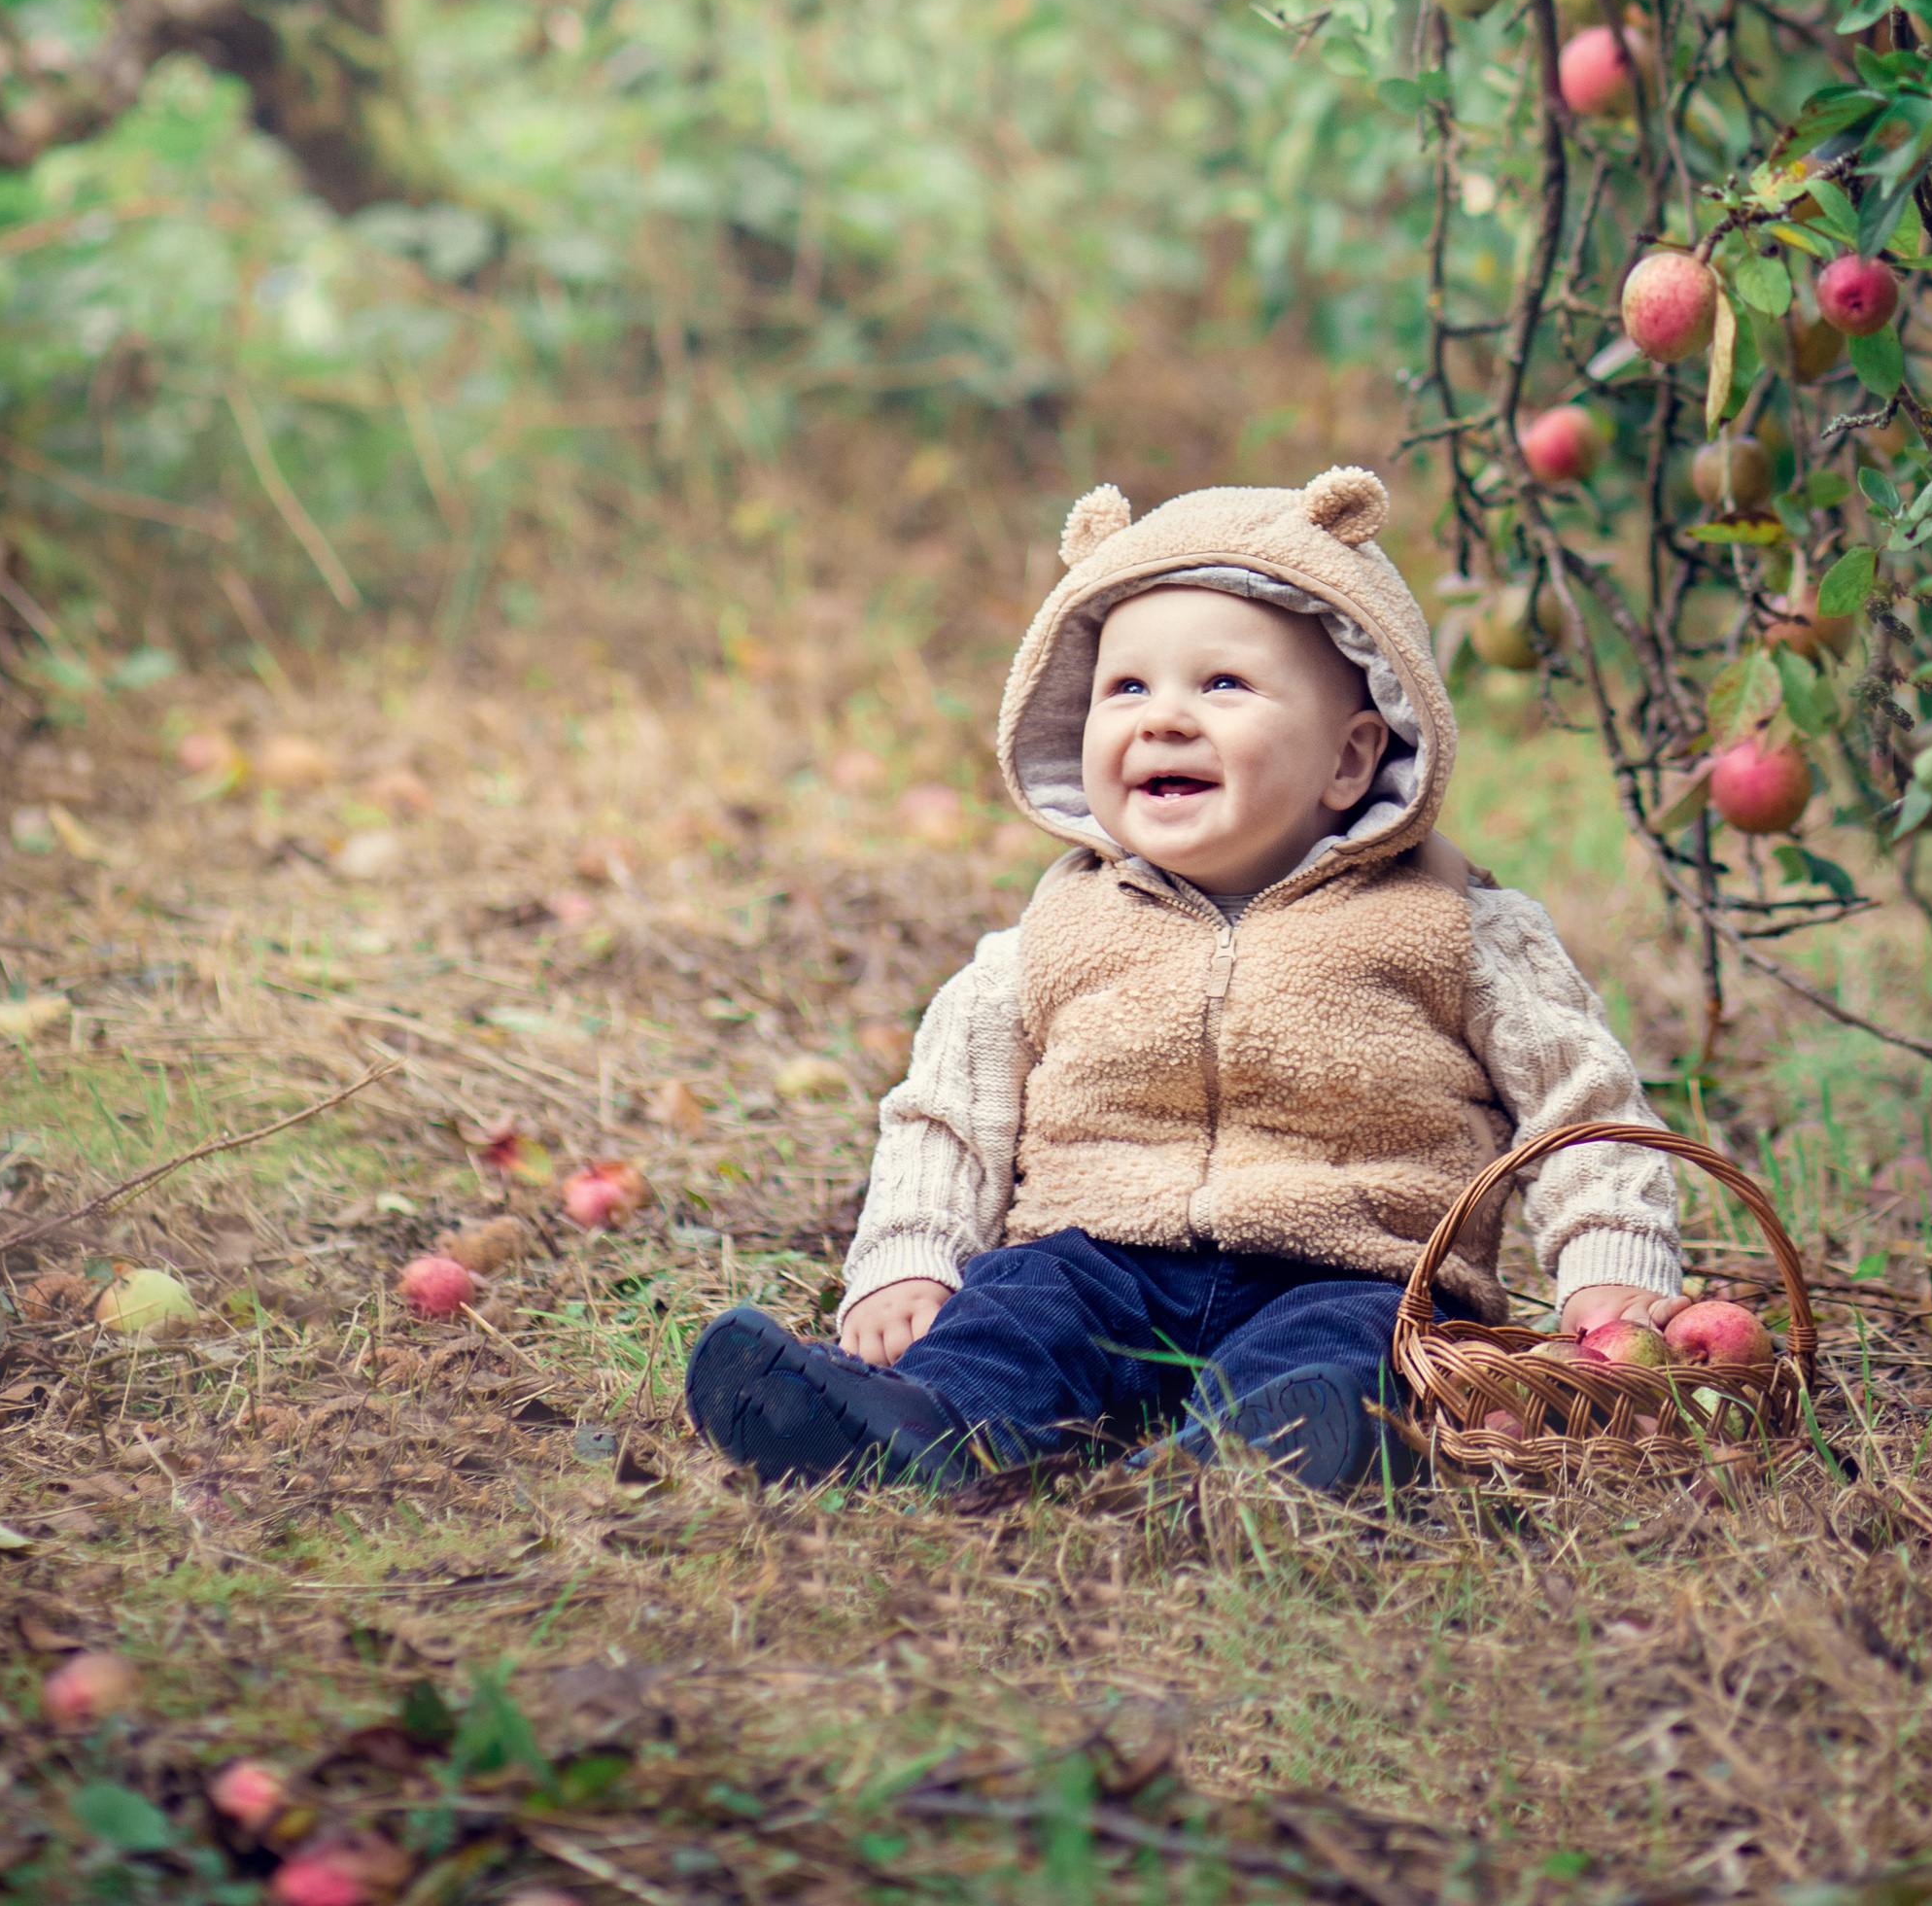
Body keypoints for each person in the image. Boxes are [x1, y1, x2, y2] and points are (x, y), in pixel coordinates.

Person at [685, 464, 1681, 1494]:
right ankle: (917, 1432)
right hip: (1098, 1256)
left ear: (1349, 759)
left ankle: (1266, 1458)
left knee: (1353, 1352)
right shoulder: (1053, 932)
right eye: (1127, 687)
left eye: (1221, 684)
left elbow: (1583, 1100)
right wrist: (907, 1259)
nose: (1162, 718)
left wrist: (1609, 1260)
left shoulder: (1455, 926)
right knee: (1016, 1313)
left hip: (1351, 1266)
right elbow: (945, 1110)